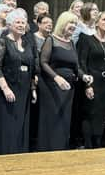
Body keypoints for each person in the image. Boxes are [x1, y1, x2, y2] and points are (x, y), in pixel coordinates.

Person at [38, 11, 92, 151]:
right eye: (71, 23)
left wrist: (83, 76)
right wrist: (56, 77)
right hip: (51, 86)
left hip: (68, 88)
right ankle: (46, 150)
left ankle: (60, 149)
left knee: (64, 120)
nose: (73, 26)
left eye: (75, 23)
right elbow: (43, 62)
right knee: (51, 119)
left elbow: (76, 67)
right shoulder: (51, 39)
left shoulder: (72, 43)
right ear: (63, 23)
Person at [0, 8, 38, 155]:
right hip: (7, 90)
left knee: (20, 124)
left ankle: (19, 153)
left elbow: (31, 69)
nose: (21, 25)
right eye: (17, 22)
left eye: (23, 22)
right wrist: (5, 88)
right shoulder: (3, 42)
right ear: (9, 25)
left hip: (23, 90)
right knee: (7, 124)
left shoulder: (27, 44)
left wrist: (33, 89)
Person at [77, 11, 105, 148]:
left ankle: (97, 145)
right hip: (92, 82)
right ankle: (88, 145)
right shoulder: (87, 40)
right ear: (97, 22)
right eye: (104, 20)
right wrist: (87, 85)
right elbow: (82, 63)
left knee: (102, 114)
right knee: (90, 114)